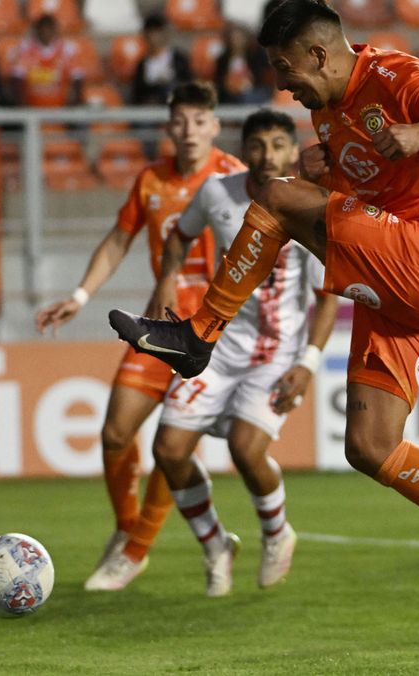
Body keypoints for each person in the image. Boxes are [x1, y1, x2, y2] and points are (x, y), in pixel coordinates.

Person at [108, 0, 419, 631]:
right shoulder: (328, 111)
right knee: (369, 448)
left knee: (278, 198)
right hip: (398, 282)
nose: (284, 88)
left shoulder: (398, 77)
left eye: (288, 71)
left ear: (318, 52)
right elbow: (366, 184)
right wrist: (331, 170)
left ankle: (200, 335)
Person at [89, 109, 339, 596]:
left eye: (277, 145)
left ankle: (276, 532)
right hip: (218, 347)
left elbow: (326, 293)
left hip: (274, 355)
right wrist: (168, 278)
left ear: (293, 151)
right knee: (168, 450)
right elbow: (178, 237)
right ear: (242, 151)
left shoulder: (313, 204)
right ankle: (214, 545)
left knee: (247, 449)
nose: (267, 156)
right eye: (258, 145)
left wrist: (307, 363)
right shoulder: (217, 192)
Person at [34, 81, 244, 590]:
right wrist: (81, 295)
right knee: (114, 433)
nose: (189, 130)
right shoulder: (151, 180)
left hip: (214, 335)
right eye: (181, 120)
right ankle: (134, 531)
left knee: (172, 446)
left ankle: (136, 549)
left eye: (200, 121)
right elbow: (119, 239)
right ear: (169, 126)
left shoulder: (237, 178)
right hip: (161, 327)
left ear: (214, 126)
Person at [9, 15, 84, 108]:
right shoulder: (25, 49)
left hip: (61, 108)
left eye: (49, 29)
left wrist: (73, 103)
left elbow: (77, 77)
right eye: (43, 29)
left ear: (55, 30)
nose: (46, 33)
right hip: (31, 109)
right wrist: (22, 106)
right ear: (37, 30)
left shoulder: (67, 49)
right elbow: (17, 78)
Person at [130, 15, 192, 107]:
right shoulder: (142, 64)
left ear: (164, 33)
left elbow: (188, 83)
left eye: (157, 31)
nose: (153, 37)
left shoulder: (178, 59)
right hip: (151, 109)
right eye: (150, 32)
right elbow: (138, 93)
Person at [214, 24, 273, 105]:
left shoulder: (254, 56)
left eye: (240, 38)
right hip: (228, 94)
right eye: (234, 38)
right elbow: (219, 80)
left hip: (251, 92)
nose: (237, 41)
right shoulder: (222, 59)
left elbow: (258, 77)